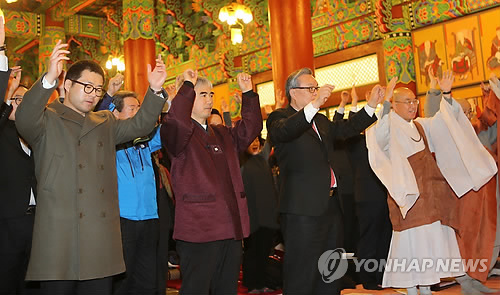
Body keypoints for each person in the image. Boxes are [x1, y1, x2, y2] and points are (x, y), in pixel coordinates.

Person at [14, 40, 167, 294]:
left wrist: (154, 90)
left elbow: (140, 125)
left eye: (98, 89)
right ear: (67, 84)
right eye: (87, 86)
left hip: (99, 237)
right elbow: (24, 118)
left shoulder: (105, 121)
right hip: (58, 235)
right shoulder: (46, 119)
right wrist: (49, 77)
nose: (93, 94)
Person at [366, 71, 497, 295]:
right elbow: (380, 136)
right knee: (412, 244)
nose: (412, 106)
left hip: (430, 196)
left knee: (430, 243)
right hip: (409, 197)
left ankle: (426, 286)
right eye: (407, 102)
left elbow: (445, 123)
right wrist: (385, 103)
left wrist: (445, 94)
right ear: (394, 105)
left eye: (414, 101)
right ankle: (410, 287)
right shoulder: (387, 126)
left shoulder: (420, 125)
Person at [266, 67, 383, 294]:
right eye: (309, 88)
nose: (314, 92)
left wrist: (371, 106)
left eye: (315, 88)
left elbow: (347, 129)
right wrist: (315, 104)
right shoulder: (279, 118)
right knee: (303, 269)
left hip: (330, 205)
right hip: (302, 208)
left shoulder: (321, 120)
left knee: (331, 269)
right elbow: (287, 131)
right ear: (293, 92)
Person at [160, 69, 262, 294]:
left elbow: (250, 129)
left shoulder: (222, 133)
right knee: (196, 288)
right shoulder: (177, 134)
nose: (209, 99)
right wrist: (186, 86)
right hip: (199, 229)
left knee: (226, 288)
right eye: (202, 94)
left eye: (211, 94)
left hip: (229, 226)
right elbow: (177, 121)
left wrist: (249, 94)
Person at [102, 90, 166, 295]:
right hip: (123, 221)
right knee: (122, 281)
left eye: (140, 107)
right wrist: (109, 96)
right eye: (132, 108)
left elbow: (170, 130)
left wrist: (172, 103)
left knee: (147, 280)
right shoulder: (109, 142)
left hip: (150, 219)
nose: (139, 112)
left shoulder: (146, 141)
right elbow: (99, 118)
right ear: (116, 113)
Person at [240, 135, 280, 294]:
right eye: (251, 141)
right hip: (252, 218)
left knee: (263, 252)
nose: (255, 143)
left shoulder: (263, 159)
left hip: (267, 217)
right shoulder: (241, 163)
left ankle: (261, 282)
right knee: (252, 254)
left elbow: (271, 140)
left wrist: (276, 112)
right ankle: (251, 284)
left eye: (257, 140)